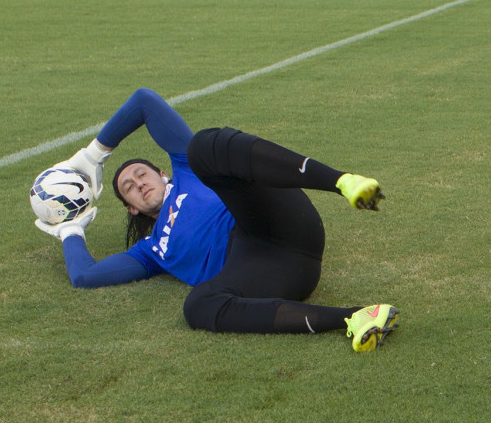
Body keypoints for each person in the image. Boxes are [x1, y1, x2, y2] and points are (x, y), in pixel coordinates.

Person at [36, 88, 399, 353]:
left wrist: (94, 155)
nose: (138, 184)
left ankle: (341, 181)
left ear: (162, 173)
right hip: (267, 274)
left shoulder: (186, 173)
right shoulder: (150, 251)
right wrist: (70, 228)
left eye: (141, 174)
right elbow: (85, 276)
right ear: (131, 208)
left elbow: (145, 102)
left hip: (278, 225)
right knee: (196, 306)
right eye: (128, 188)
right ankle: (355, 318)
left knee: (203, 147)